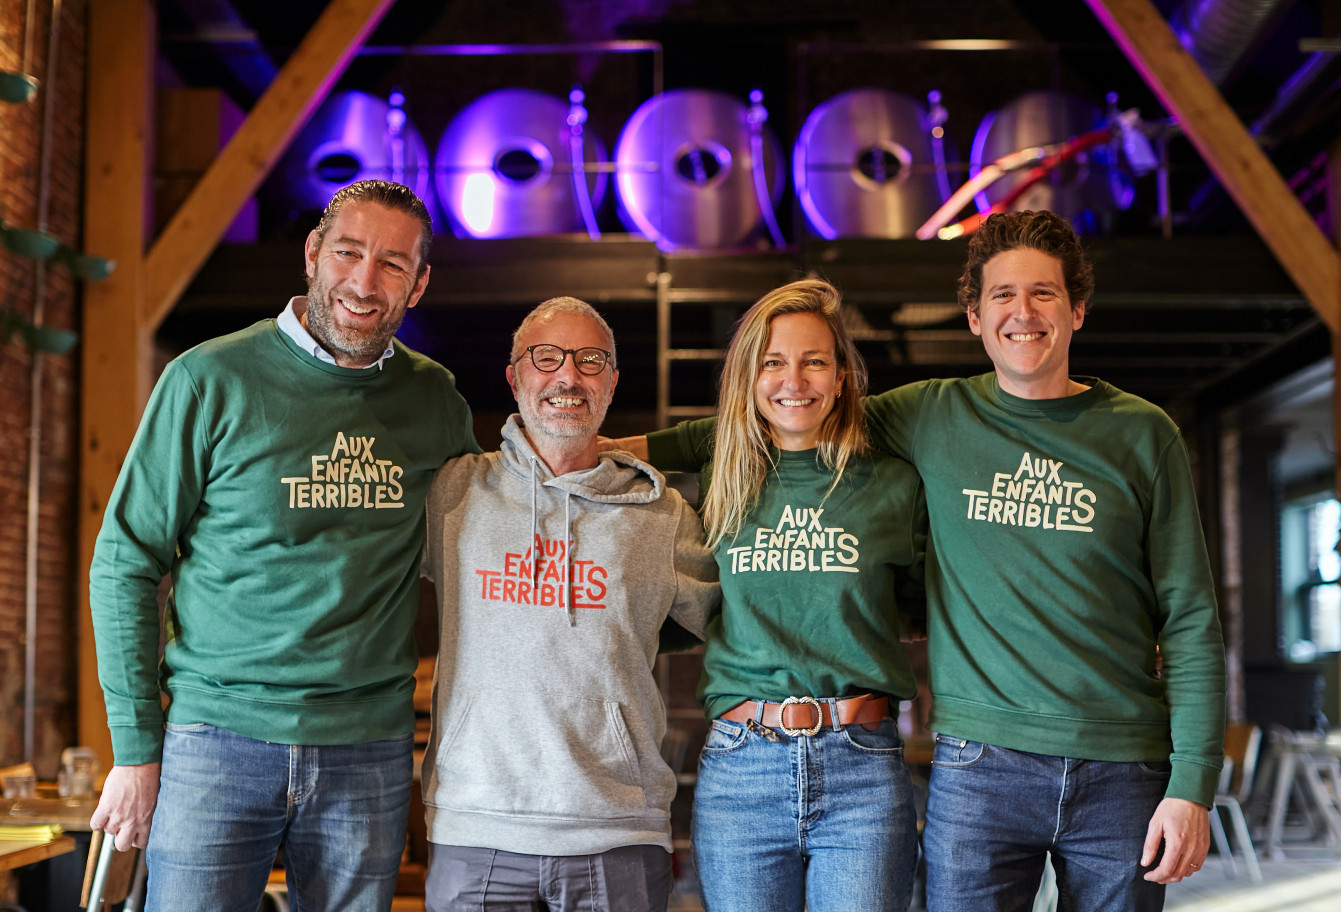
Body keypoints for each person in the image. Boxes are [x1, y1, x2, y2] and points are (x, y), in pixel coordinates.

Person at [618, 211, 1226, 911]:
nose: (1021, 313)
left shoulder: (1145, 434)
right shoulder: (936, 413)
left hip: (1121, 765)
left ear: (1078, 308)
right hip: (979, 765)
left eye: (1043, 294)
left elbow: (1191, 620)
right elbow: (766, 414)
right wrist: (602, 451)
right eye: (1001, 295)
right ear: (973, 316)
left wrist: (1192, 785)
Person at [88, 180, 479, 912]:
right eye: (349, 253)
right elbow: (125, 563)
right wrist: (135, 748)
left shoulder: (435, 402)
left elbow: (486, 545)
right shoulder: (208, 380)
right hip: (215, 740)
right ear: (312, 255)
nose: (365, 283)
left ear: (419, 285)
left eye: (394, 265)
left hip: (370, 750)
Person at [420, 296, 720, 912]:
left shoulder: (661, 516)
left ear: (611, 381)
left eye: (590, 361)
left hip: (616, 831)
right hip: (476, 826)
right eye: (547, 357)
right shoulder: (453, 492)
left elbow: (744, 622)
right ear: (515, 375)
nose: (568, 376)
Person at [634, 279, 925, 912]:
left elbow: (928, 608)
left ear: (843, 376)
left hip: (863, 767)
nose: (794, 379)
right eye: (772, 362)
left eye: (814, 360)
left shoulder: (894, 485)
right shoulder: (724, 478)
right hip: (742, 766)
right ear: (749, 377)